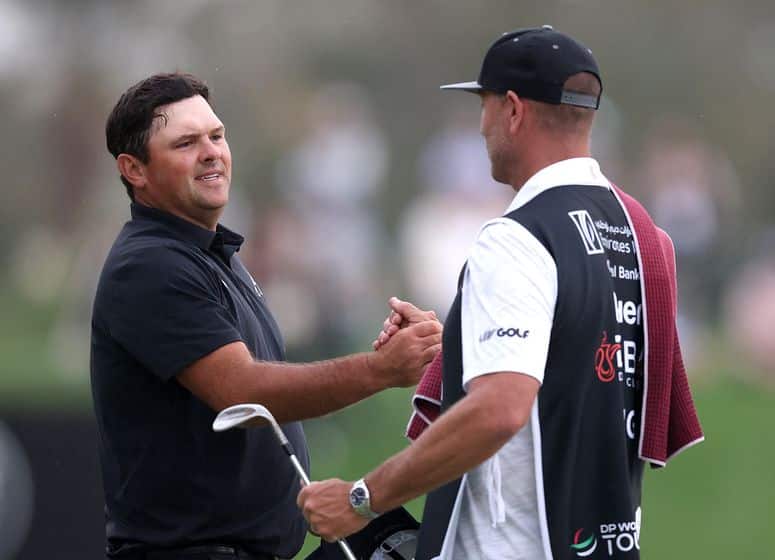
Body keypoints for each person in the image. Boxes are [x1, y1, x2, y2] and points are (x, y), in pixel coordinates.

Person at [297, 26, 703, 559]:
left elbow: (500, 409)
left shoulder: (517, 237)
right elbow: (573, 361)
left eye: (484, 105)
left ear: (513, 111)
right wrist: (464, 343)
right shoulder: (642, 234)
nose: (481, 125)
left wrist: (361, 499)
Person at [91, 72, 442, 560]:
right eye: (186, 143)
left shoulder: (213, 253)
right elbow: (241, 393)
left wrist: (385, 351)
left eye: (216, 135)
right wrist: (380, 370)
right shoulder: (149, 265)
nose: (212, 151)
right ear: (135, 169)